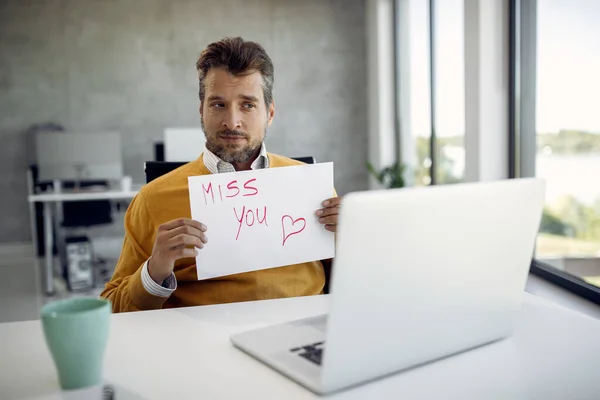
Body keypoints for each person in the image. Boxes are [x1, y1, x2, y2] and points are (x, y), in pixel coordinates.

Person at [101, 37, 341, 313]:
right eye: (218, 105)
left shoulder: (311, 189)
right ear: (201, 111)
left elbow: (350, 286)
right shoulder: (152, 199)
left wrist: (350, 240)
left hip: (302, 333)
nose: (232, 122)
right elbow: (110, 309)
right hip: (204, 346)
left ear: (270, 113)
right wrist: (154, 271)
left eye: (248, 105)